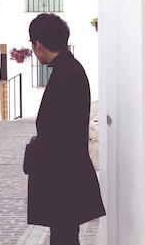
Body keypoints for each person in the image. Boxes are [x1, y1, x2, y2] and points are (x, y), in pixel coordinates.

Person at [24, 13, 105, 245]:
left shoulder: (67, 73)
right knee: (64, 236)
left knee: (64, 238)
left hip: (63, 178)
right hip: (63, 175)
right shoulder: (68, 69)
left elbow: (59, 131)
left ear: (38, 44)